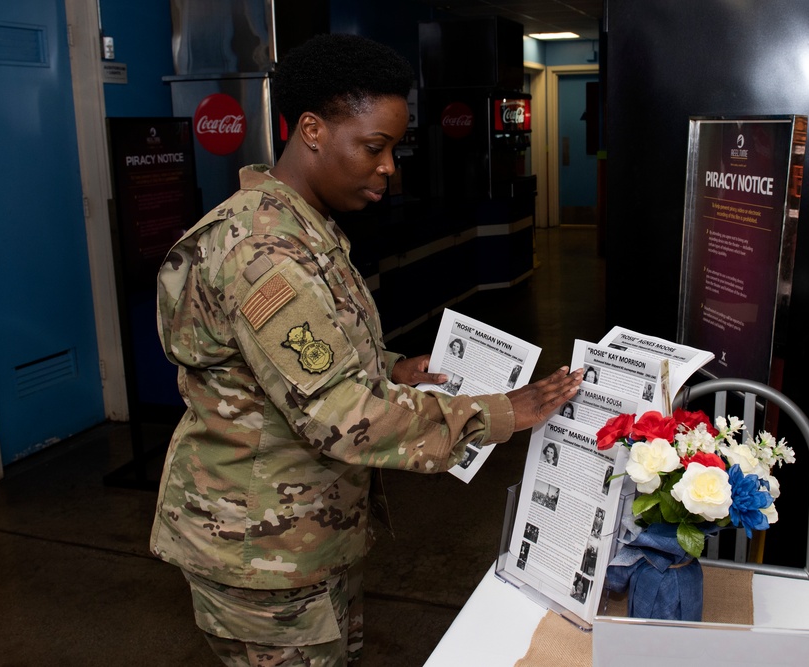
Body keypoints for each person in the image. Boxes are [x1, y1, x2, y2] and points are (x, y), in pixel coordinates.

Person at [150, 33, 583, 667]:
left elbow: (296, 360)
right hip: (261, 555)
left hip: (309, 538)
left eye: (393, 149)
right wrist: (503, 412)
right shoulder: (262, 253)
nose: (389, 168)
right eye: (373, 148)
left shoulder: (305, 227)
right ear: (312, 131)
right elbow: (341, 415)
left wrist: (387, 369)